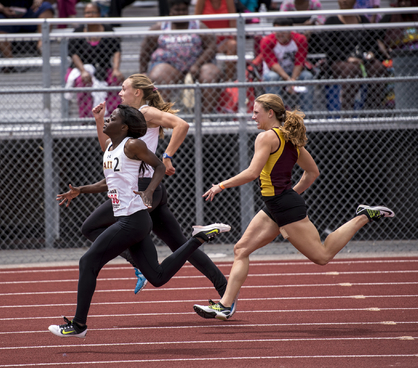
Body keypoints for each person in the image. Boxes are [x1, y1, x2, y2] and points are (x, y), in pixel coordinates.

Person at [193, 93, 394, 321]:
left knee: (322, 256)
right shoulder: (290, 140)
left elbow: (252, 172)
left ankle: (363, 216)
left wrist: (220, 185)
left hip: (284, 207)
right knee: (241, 249)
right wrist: (291, 193)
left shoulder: (267, 137)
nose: (252, 116)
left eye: (256, 112)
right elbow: (312, 173)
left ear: (270, 113)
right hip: (277, 204)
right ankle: (225, 305)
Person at [49, 104, 231, 337]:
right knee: (157, 277)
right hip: (134, 221)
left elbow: (157, 167)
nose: (107, 121)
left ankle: (78, 325)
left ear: (124, 126)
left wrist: (149, 191)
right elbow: (108, 183)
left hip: (132, 220)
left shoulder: (133, 145)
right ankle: (198, 238)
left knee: (88, 262)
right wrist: (81, 190)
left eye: (112, 118)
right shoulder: (110, 148)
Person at [82, 74, 229, 296]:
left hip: (142, 187)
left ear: (138, 92)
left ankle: (138, 265)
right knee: (179, 245)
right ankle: (224, 288)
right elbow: (109, 149)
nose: (120, 93)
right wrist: (99, 121)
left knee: (90, 227)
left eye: (124, 89)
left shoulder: (146, 112)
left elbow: (182, 124)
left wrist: (167, 156)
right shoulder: (130, 118)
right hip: (150, 188)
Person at [139, 0, 223, 112]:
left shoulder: (198, 26)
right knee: (158, 75)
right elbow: (145, 50)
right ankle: (162, 116)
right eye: (177, 10)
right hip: (169, 66)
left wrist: (197, 65)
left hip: (197, 66)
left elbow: (211, 46)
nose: (180, 13)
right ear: (170, 11)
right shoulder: (160, 28)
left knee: (211, 73)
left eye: (184, 9)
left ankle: (205, 116)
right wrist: (143, 71)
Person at [320, 0, 386, 112]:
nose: (344, 0)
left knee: (378, 68)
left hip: (362, 59)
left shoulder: (362, 19)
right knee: (351, 69)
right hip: (340, 60)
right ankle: (347, 112)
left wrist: (371, 53)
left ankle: (372, 110)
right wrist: (347, 58)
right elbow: (327, 45)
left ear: (354, 0)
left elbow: (372, 40)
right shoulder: (332, 20)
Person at [377, 0, 418, 111]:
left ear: (414, 1)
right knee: (386, 70)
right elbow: (376, 38)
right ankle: (393, 109)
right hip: (397, 60)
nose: (404, 4)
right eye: (401, 1)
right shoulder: (390, 17)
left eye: (407, 0)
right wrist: (386, 54)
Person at [66, 2, 123, 118]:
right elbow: (74, 54)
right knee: (84, 82)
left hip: (103, 68)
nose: (90, 15)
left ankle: (112, 118)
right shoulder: (78, 32)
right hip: (80, 69)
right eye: (87, 13)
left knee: (115, 80)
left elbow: (117, 50)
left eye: (93, 12)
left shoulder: (107, 30)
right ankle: (86, 119)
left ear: (99, 14)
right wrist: (83, 71)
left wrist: (116, 69)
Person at [261, 17, 314, 111]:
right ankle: (276, 115)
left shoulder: (300, 39)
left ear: (290, 30)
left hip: (294, 73)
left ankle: (306, 114)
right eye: (277, 31)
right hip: (275, 73)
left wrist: (293, 79)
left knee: (307, 76)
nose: (280, 34)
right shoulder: (267, 40)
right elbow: (273, 65)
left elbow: (300, 62)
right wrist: (289, 80)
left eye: (283, 31)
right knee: (272, 77)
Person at [194, 0, 238, 82]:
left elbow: (233, 22)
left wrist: (236, 41)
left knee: (233, 45)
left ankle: (229, 82)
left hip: (223, 41)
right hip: (206, 43)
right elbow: (195, 23)